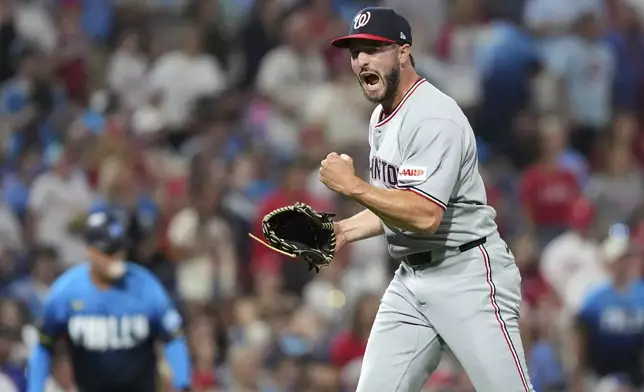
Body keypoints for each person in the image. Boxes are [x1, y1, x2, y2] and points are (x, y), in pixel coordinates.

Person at [321, 7, 534, 392]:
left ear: (403, 52)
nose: (362, 60)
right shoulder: (382, 116)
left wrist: (353, 188)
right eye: (355, 52)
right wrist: (344, 230)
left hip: (468, 274)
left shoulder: (433, 117)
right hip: (411, 280)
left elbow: (424, 216)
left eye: (374, 48)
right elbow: (395, 203)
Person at [26, 210, 192, 392]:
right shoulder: (66, 292)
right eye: (109, 251)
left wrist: (182, 383)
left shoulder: (145, 286)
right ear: (90, 251)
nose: (117, 258)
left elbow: (174, 338)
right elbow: (43, 347)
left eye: (120, 249)